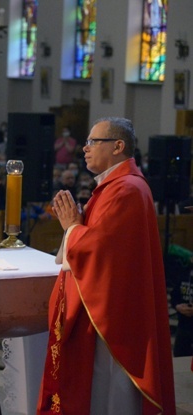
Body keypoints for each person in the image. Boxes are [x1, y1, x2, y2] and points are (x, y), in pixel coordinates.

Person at [38, 117, 175, 414]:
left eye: (92, 142)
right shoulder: (113, 187)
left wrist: (71, 226)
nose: (85, 149)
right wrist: (73, 227)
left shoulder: (126, 189)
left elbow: (100, 252)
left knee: (108, 394)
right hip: (107, 308)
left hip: (113, 318)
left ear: (118, 146)